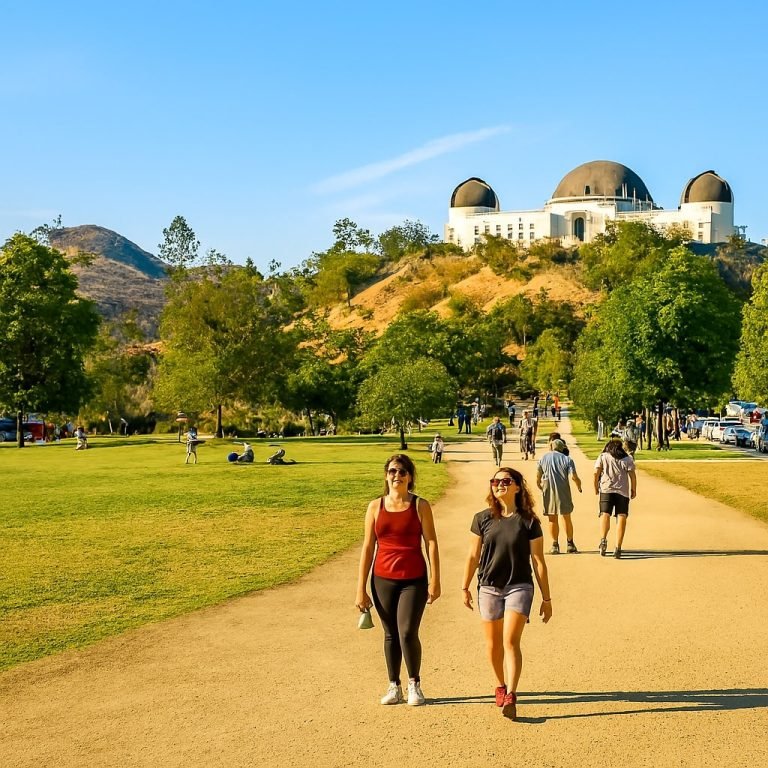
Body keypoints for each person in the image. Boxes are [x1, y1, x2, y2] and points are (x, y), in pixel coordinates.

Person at [461, 467, 552, 720]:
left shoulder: (529, 521)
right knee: (492, 645)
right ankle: (500, 685)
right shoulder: (482, 519)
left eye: (505, 481)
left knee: (510, 641)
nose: (499, 484)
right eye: (495, 481)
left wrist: (547, 599)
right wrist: (464, 586)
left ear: (517, 487)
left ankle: (511, 694)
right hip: (489, 587)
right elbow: (472, 556)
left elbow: (539, 561)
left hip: (519, 586)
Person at [355, 454, 441, 706]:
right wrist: (360, 588)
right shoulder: (375, 507)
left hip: (414, 578)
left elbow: (432, 543)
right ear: (386, 475)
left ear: (410, 477)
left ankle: (415, 683)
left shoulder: (420, 505)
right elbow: (368, 547)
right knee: (390, 633)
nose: (397, 476)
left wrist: (435, 580)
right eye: (393, 471)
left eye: (403, 472)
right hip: (382, 579)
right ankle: (394, 686)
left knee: (407, 632)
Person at [537, 439, 582, 554]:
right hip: (563, 489)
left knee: (552, 518)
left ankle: (555, 545)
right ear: (562, 448)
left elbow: (538, 476)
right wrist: (579, 486)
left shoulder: (543, 458)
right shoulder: (567, 459)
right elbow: (574, 476)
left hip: (548, 489)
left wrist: (540, 485)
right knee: (566, 517)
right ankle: (570, 543)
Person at [594, 438, 637, 559]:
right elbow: (632, 476)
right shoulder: (627, 459)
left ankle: (603, 539)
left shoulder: (603, 456)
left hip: (606, 489)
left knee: (605, 514)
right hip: (622, 491)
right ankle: (618, 547)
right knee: (621, 515)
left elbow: (596, 473)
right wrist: (633, 489)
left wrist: (595, 487)